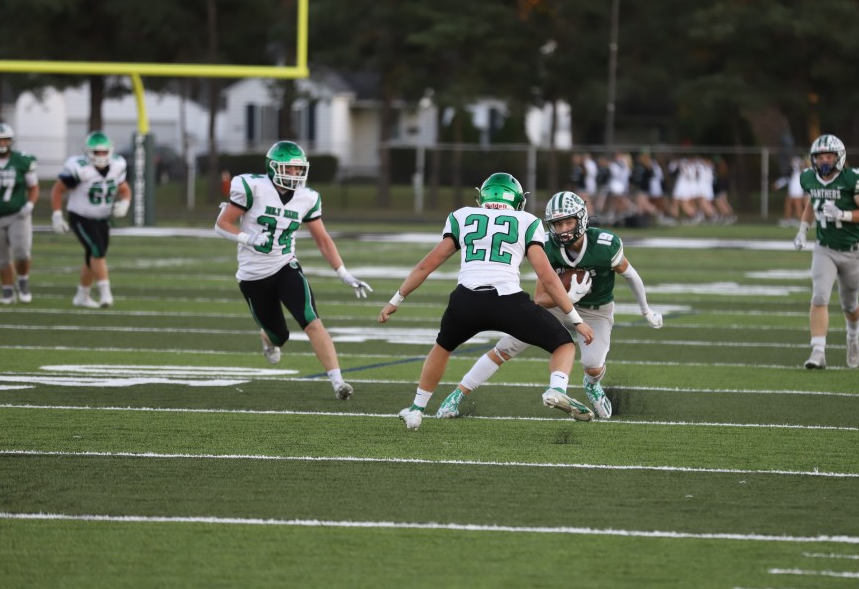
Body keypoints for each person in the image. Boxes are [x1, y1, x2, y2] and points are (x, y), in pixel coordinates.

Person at [378, 173, 596, 430]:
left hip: (465, 301)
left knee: (442, 348)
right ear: (517, 200)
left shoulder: (461, 216)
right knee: (563, 344)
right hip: (508, 301)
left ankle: (417, 409)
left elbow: (426, 265)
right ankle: (556, 389)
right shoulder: (527, 221)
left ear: (482, 197)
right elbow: (547, 276)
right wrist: (576, 320)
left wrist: (396, 300)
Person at [434, 190, 664, 420]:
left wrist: (646, 310)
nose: (563, 229)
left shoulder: (605, 244)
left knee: (593, 365)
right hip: (557, 308)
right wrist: (568, 296)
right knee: (506, 347)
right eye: (557, 224)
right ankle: (457, 394)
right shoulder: (546, 245)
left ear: (581, 218)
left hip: (596, 311)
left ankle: (592, 384)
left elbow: (631, 275)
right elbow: (540, 299)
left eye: (568, 222)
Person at [214, 140, 371, 400]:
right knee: (279, 336)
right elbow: (222, 224)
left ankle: (338, 382)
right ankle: (268, 339)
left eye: (298, 169)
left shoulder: (307, 197)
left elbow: (322, 239)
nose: (295, 174)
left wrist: (343, 273)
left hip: (285, 265)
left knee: (311, 320)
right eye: (288, 168)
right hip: (253, 275)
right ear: (273, 168)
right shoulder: (253, 187)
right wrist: (248, 239)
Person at [793, 134, 859, 369]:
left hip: (852, 250)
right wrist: (803, 230)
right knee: (819, 296)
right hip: (825, 248)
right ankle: (818, 352)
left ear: (839, 157)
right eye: (820, 157)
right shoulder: (810, 178)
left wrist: (843, 214)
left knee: (850, 304)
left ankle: (853, 337)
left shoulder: (852, 179)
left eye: (829, 156)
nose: (824, 161)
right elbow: (813, 202)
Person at [50, 130, 132, 308]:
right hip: (80, 216)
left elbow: (124, 188)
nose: (101, 156)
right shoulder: (80, 168)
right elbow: (58, 190)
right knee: (97, 250)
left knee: (92, 255)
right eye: (97, 152)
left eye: (104, 152)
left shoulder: (117, 165)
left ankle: (82, 295)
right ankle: (105, 294)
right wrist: (57, 215)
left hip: (102, 218)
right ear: (88, 152)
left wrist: (125, 202)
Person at [0, 123, 39, 305]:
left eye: (5, 139)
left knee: (22, 252)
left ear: (11, 141)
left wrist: (30, 204)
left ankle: (23, 280)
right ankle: (7, 291)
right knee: (1, 257)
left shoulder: (22, 160)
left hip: (17, 214)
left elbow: (33, 187)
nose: (2, 143)